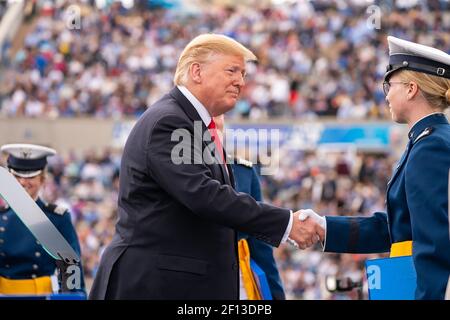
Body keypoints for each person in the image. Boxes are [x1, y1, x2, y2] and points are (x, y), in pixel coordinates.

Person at [89, 34, 323, 300]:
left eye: (243, 73)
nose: (241, 81)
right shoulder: (170, 122)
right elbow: (205, 196)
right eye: (232, 70)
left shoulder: (194, 125)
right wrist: (287, 223)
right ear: (196, 72)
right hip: (153, 286)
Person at [303, 36, 450, 300]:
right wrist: (325, 227)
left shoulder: (430, 146)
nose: (386, 96)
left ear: (411, 89)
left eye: (389, 85)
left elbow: (433, 242)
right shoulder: (428, 139)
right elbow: (397, 227)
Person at [214, 114, 286, 300]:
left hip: (237, 278)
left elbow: (259, 242)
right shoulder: (181, 168)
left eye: (218, 114)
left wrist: (276, 295)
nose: (214, 120)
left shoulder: (243, 170)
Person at [0, 143, 85, 295]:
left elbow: (70, 268)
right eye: (16, 176)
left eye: (30, 176)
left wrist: (72, 297)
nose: (22, 182)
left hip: (40, 296)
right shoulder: (1, 217)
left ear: (43, 179)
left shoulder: (56, 218)